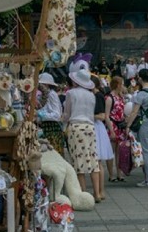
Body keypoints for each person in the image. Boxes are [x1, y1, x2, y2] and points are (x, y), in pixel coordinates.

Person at [61, 67, 100, 197]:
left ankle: (83, 193)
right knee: (93, 160)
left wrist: (62, 123)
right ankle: (97, 193)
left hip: (76, 127)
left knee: (78, 161)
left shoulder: (71, 93)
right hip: (90, 127)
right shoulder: (91, 95)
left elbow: (67, 113)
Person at [125, 68, 148, 187]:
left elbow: (134, 112)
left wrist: (128, 125)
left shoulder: (141, 95)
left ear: (140, 78)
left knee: (146, 152)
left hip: (145, 125)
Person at [92, 79, 113, 202]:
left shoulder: (98, 96)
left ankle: (100, 190)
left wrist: (89, 114)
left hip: (97, 127)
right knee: (97, 162)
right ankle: (99, 190)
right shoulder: (96, 95)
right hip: (96, 127)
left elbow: (102, 116)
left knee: (98, 161)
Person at [37, 72, 65, 154]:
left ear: (46, 84)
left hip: (53, 128)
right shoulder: (42, 95)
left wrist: (41, 114)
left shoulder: (52, 94)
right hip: (45, 128)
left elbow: (57, 114)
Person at [105, 76, 127, 182]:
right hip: (113, 125)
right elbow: (107, 115)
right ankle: (111, 174)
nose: (122, 86)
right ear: (117, 85)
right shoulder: (110, 98)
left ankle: (119, 173)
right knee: (111, 151)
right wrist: (111, 130)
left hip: (120, 125)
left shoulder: (120, 97)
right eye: (121, 84)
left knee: (120, 151)